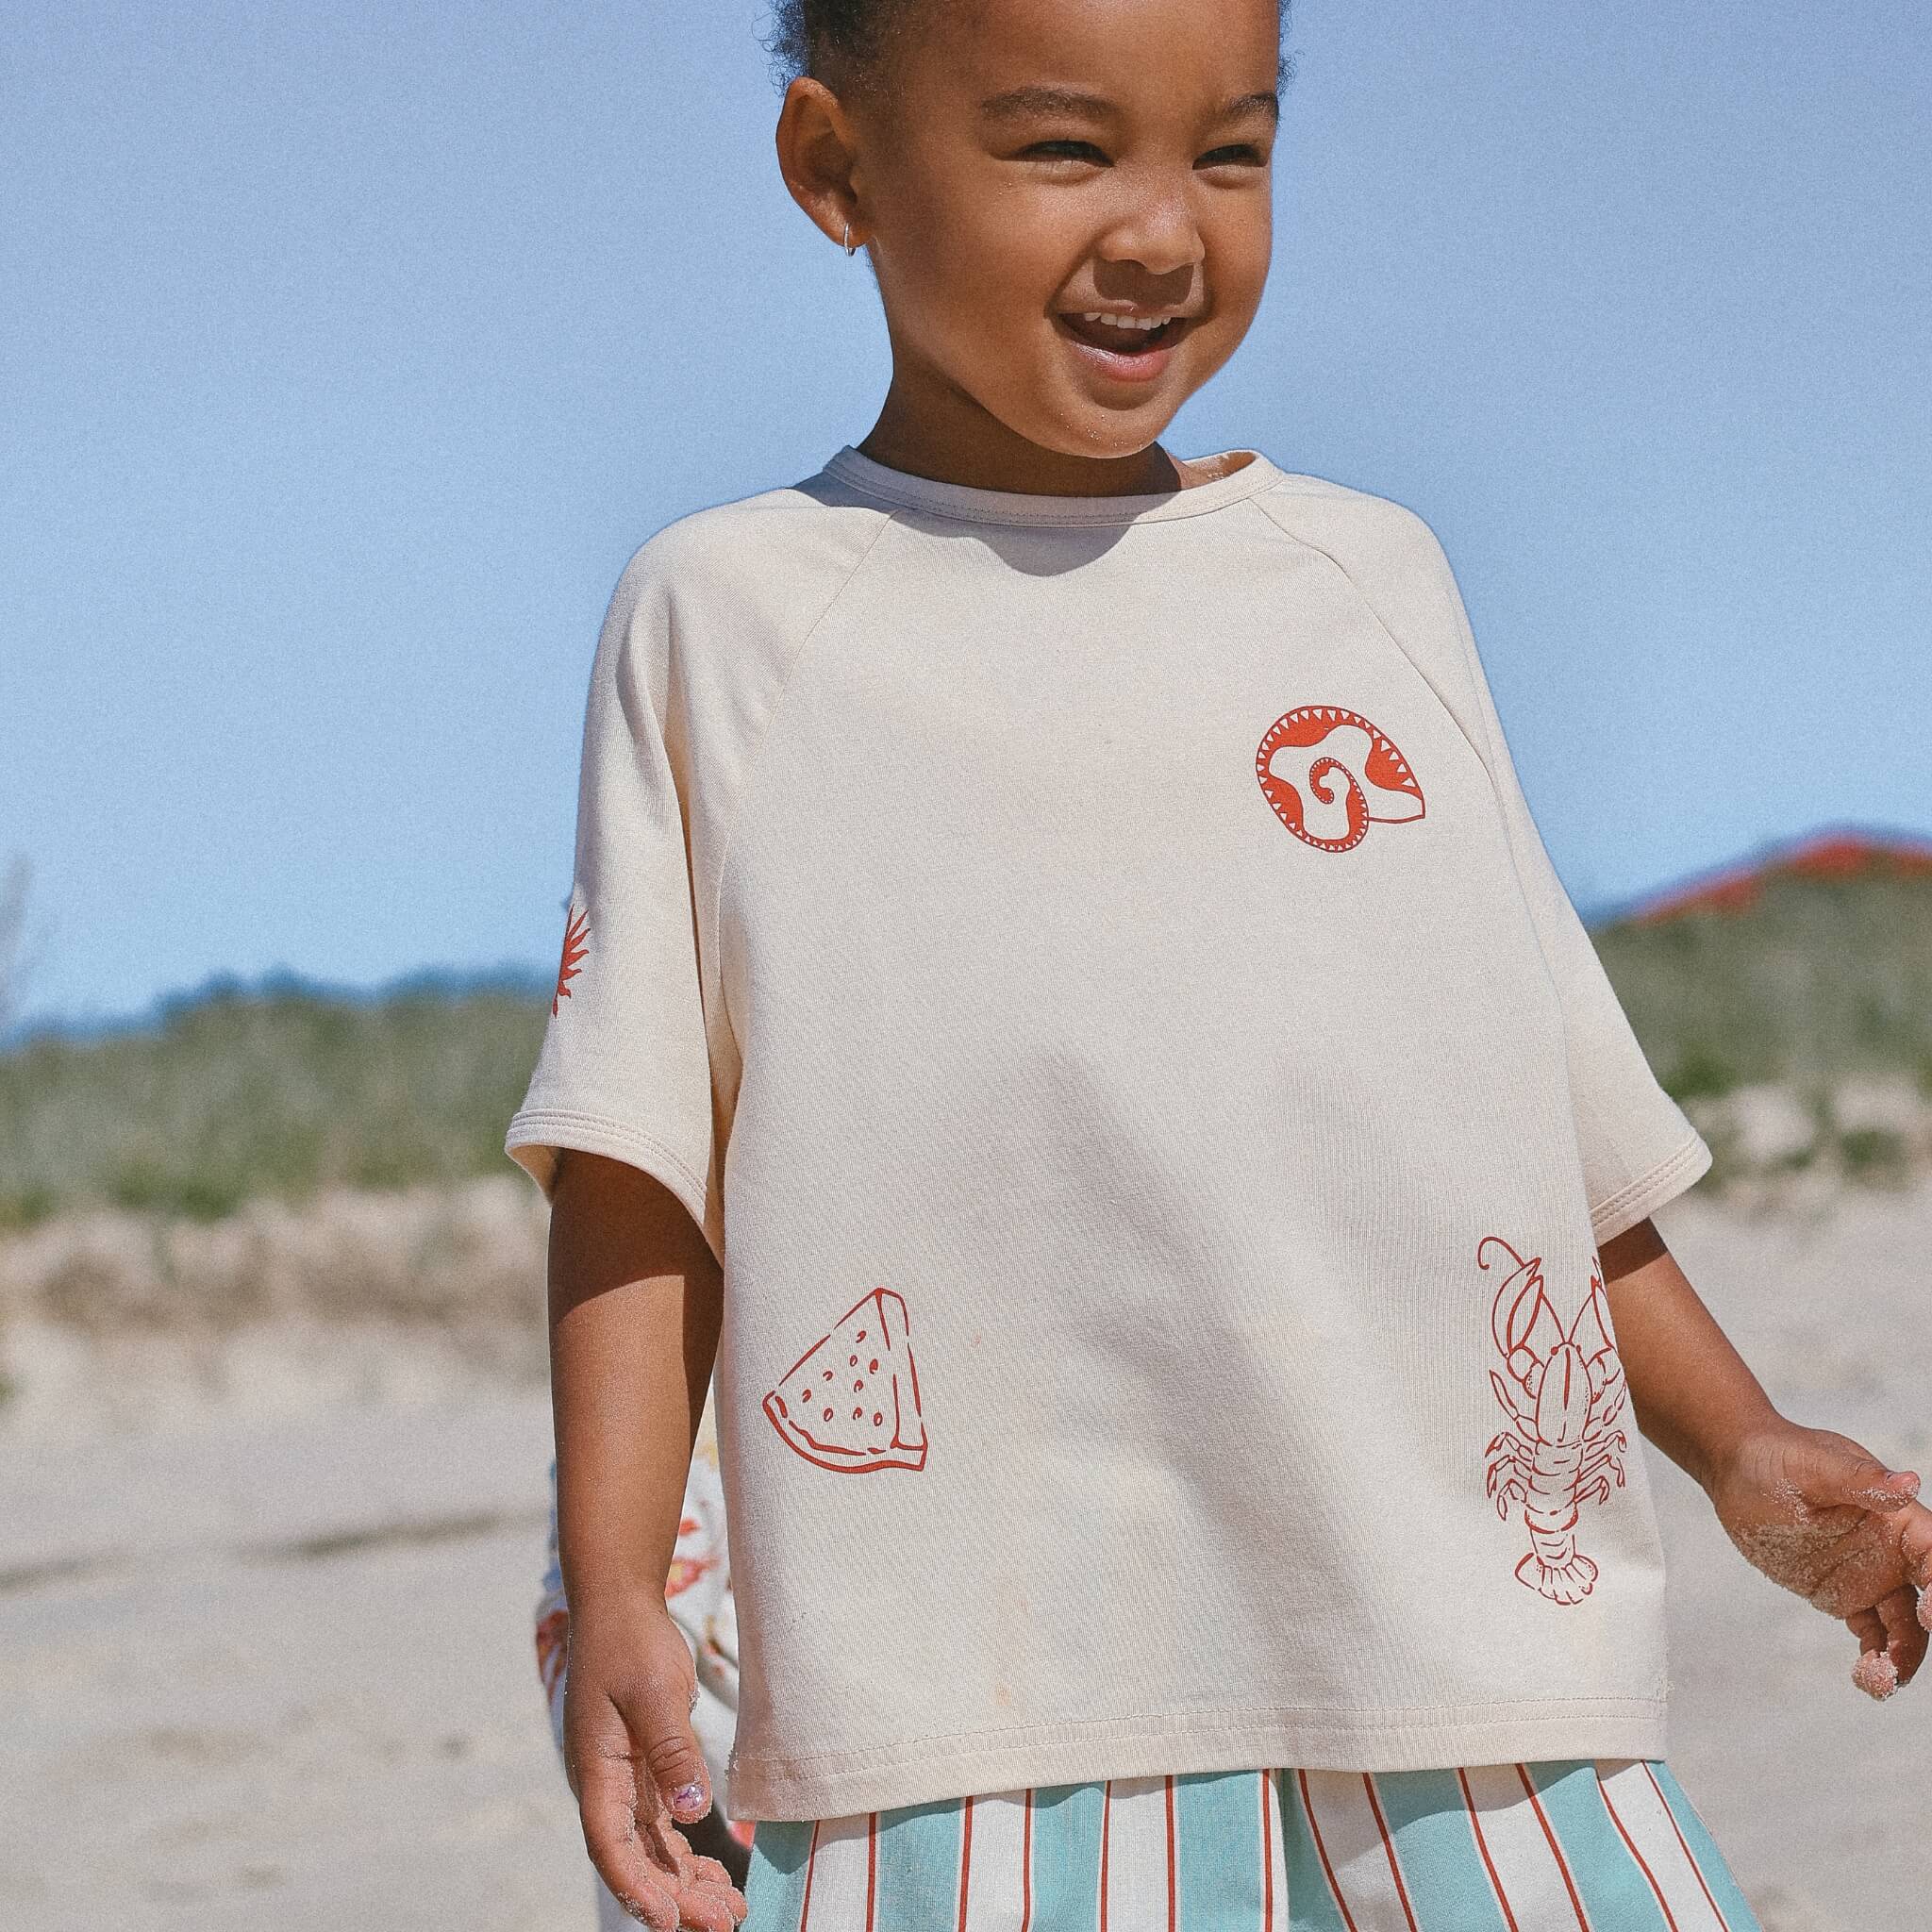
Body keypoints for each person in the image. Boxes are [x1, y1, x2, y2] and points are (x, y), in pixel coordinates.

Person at [504, 1, 1932, 1925]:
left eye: (1231, 151)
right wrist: (614, 1589)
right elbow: (633, 1159)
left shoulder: (1370, 587)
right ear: (835, 167)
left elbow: (1537, 1144)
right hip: (953, 1727)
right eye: (1066, 150)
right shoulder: (725, 624)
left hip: (1458, 1686)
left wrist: (1742, 1442)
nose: (1164, 230)